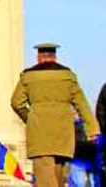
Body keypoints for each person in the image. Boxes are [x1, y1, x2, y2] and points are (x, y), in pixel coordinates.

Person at [11, 42, 100, 187]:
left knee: (45, 176)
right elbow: (81, 104)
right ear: (55, 57)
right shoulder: (68, 77)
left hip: (39, 133)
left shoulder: (28, 77)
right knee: (59, 177)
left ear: (39, 57)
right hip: (63, 134)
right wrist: (93, 129)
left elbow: (16, 103)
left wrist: (29, 118)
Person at [68, 110, 101, 186]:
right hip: (87, 158)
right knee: (94, 182)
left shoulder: (70, 125)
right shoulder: (93, 123)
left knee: (79, 182)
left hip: (79, 158)